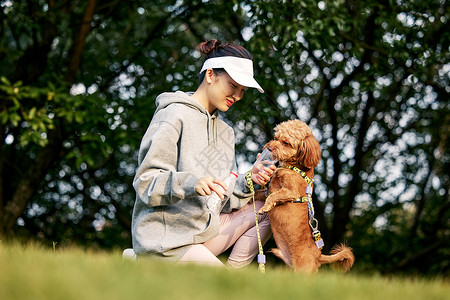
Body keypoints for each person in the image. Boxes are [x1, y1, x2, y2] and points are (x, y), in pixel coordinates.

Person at [128, 39, 276, 268]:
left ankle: (233, 276)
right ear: (210, 75)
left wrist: (250, 179)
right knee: (228, 291)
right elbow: (146, 182)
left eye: (242, 91)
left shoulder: (227, 133)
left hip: (203, 233)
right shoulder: (174, 114)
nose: (237, 96)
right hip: (166, 241)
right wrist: (192, 183)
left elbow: (223, 199)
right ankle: (146, 260)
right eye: (233, 86)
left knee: (267, 210)